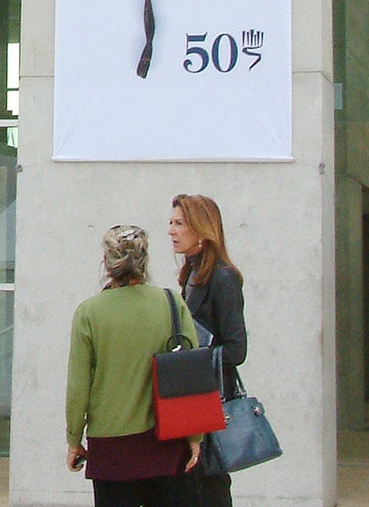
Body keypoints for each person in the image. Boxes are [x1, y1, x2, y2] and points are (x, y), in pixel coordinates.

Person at [65, 224, 201, 507]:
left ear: (107, 262)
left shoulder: (89, 313)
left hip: (110, 446)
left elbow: (79, 386)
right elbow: (192, 372)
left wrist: (74, 439)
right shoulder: (171, 303)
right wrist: (195, 436)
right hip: (164, 441)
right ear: (144, 260)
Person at [168, 194, 245, 507]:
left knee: (210, 485)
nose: (171, 231)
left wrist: (189, 360)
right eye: (170, 223)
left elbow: (236, 349)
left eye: (179, 224)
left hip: (209, 402)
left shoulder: (223, 278)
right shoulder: (191, 275)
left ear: (201, 230)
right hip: (190, 398)